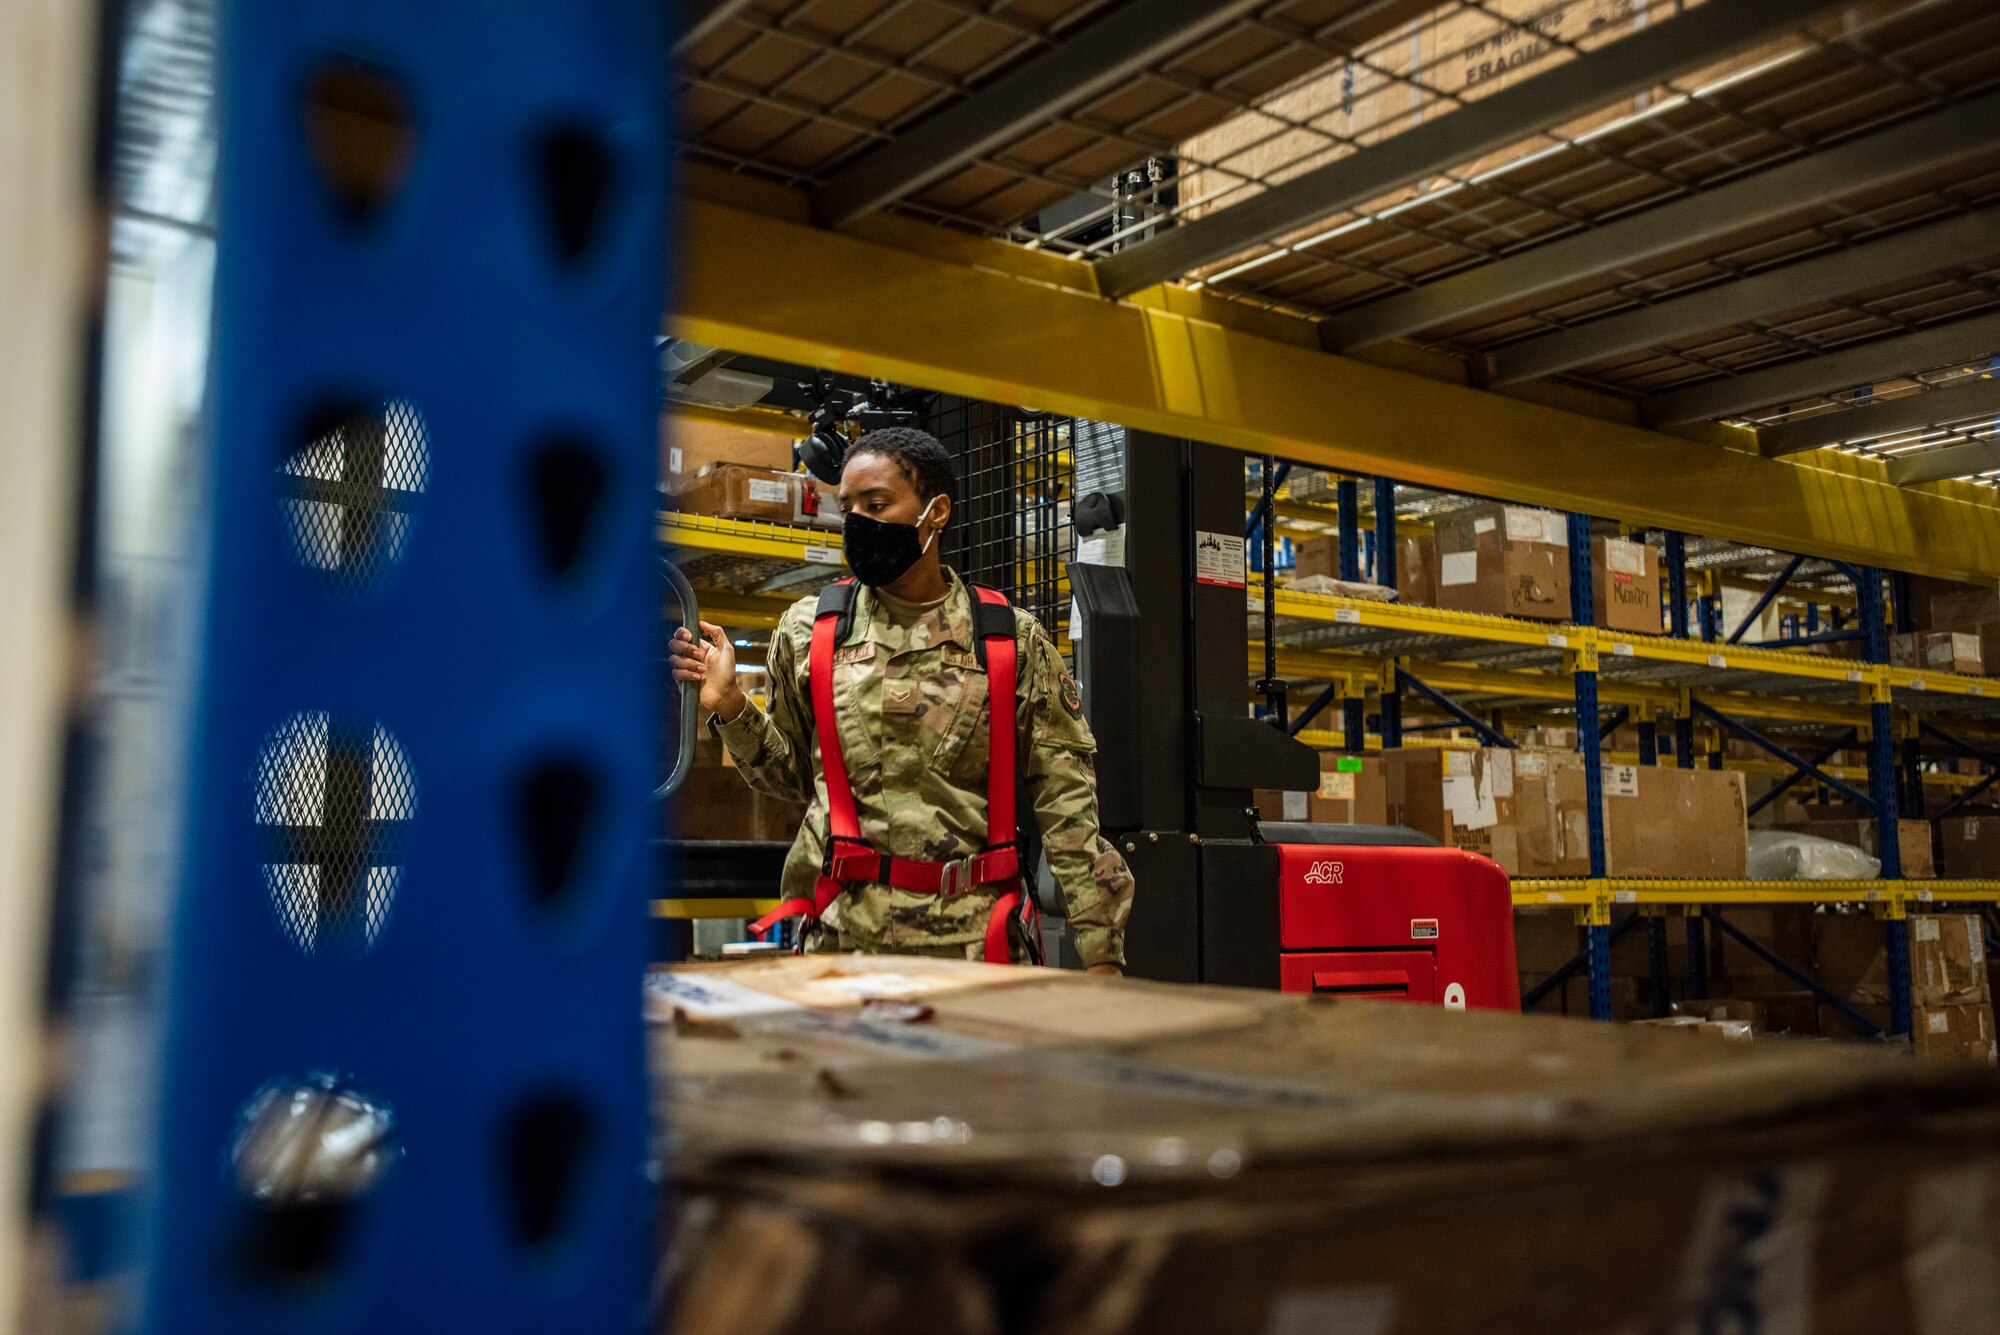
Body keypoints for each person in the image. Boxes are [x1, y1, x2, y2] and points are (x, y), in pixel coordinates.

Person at [668, 426, 1134, 973]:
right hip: (839, 948)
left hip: (977, 950)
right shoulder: (810, 633)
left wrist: (1103, 959)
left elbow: (1068, 814)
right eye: (848, 508)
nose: (858, 522)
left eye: (878, 503)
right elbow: (794, 778)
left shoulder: (1009, 642)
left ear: (935, 512)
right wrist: (729, 706)